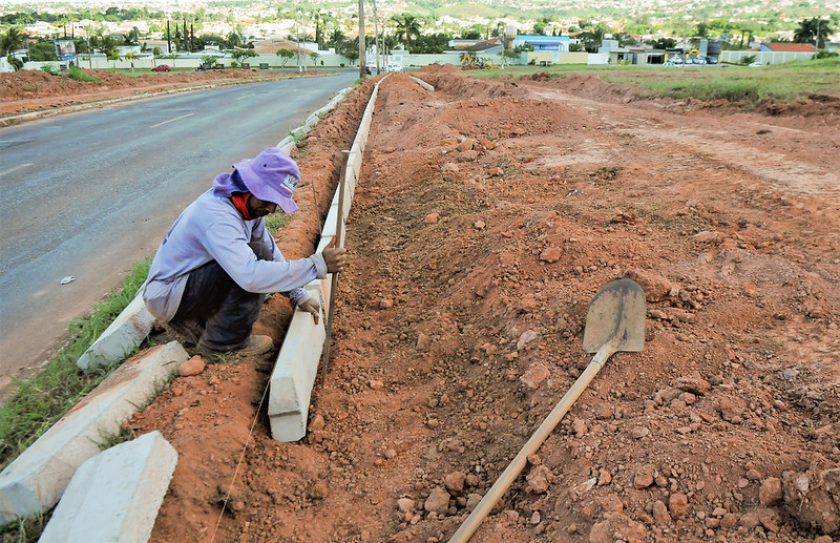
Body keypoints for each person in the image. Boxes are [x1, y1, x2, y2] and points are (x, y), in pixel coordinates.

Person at [142, 147, 346, 356]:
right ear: (251, 187)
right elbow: (251, 276)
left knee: (258, 252)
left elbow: (270, 249)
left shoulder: (244, 208)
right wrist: (317, 265)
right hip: (169, 294)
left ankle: (198, 323)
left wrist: (297, 294)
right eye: (267, 200)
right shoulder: (217, 216)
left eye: (274, 203)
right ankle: (221, 345)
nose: (270, 210)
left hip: (185, 286)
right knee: (253, 261)